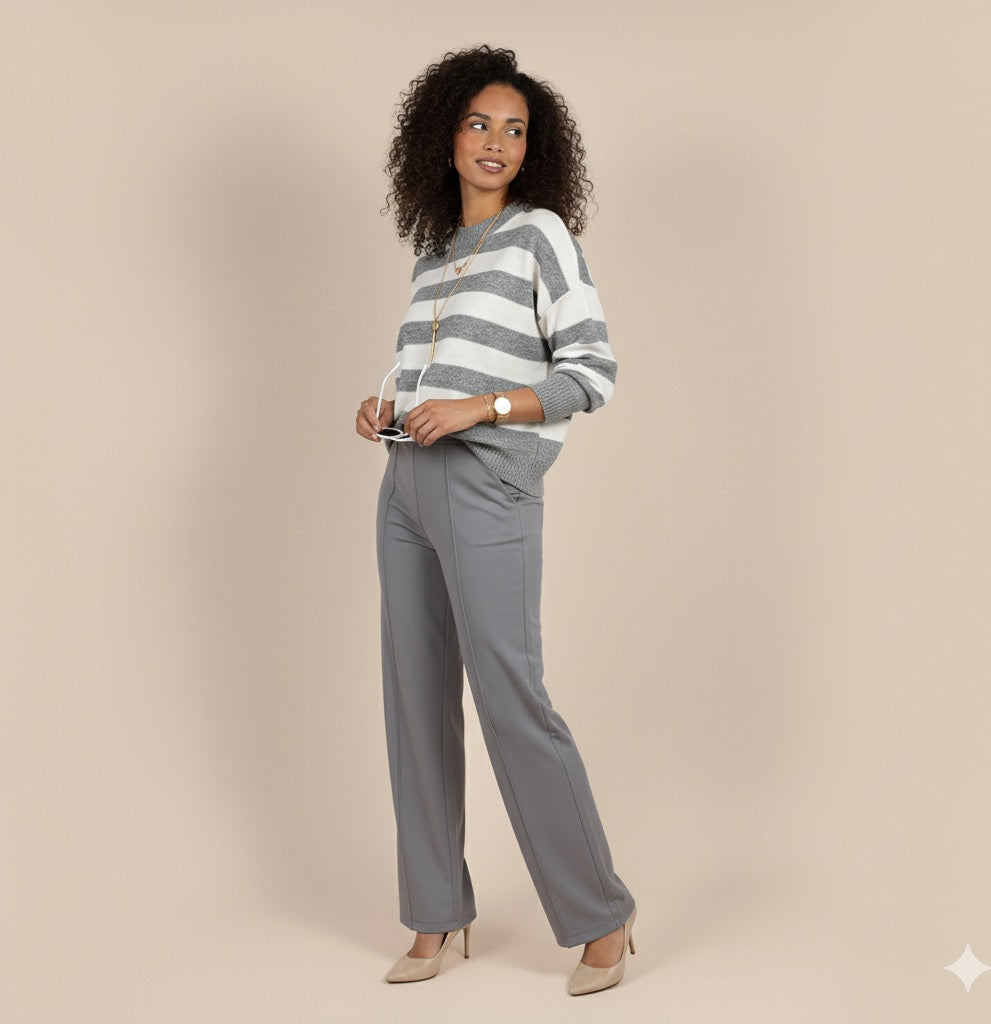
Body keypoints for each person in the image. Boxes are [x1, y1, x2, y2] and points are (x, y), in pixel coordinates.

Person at [355, 45, 637, 996]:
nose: (496, 142)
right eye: (479, 123)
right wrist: (387, 403)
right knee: (414, 700)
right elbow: (432, 373)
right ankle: (436, 914)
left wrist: (484, 409)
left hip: (488, 486)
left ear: (532, 150)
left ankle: (602, 914)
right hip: (405, 486)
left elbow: (590, 372)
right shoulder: (435, 259)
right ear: (444, 135)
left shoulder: (539, 236)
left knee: (511, 698)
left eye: (515, 130)